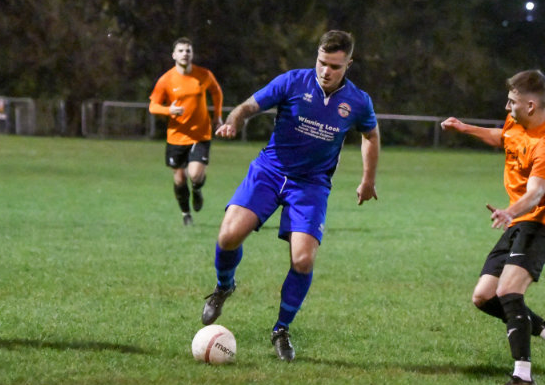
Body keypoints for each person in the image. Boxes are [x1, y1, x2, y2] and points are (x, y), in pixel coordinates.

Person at [202, 30, 380, 362]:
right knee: (228, 236)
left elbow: (370, 134)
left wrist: (368, 180)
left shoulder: (358, 101)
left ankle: (281, 329)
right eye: (322, 62)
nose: (326, 71)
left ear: (349, 64)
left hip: (311, 184)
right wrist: (234, 121)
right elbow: (249, 106)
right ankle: (224, 286)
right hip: (269, 171)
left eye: (335, 66)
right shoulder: (293, 81)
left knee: (303, 260)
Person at [441, 69, 545, 385]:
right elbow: (501, 137)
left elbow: (535, 194)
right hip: (518, 221)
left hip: (541, 224)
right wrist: (465, 128)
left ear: (530, 105)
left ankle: (523, 379)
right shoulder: (517, 122)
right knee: (483, 296)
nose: (507, 107)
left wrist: (509, 212)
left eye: (512, 102)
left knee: (508, 291)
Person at [149, 37, 223, 226]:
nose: (185, 54)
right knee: (180, 179)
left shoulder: (203, 74)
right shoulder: (166, 80)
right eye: (181, 51)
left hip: (200, 133)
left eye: (188, 50)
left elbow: (216, 91)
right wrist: (169, 110)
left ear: (192, 54)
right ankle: (186, 214)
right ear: (174, 55)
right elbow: (153, 106)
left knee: (195, 174)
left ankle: (197, 189)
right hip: (176, 136)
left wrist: (217, 116)